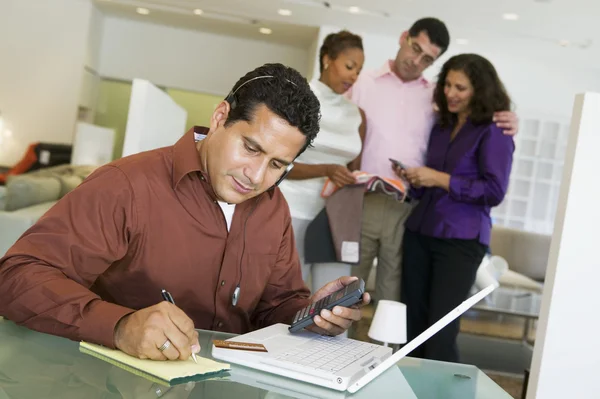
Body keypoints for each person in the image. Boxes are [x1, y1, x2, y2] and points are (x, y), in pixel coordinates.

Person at [0, 63, 370, 362]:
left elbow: (276, 305)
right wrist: (119, 326)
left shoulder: (273, 209)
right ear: (221, 116)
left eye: (278, 165)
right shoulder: (126, 185)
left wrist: (313, 315)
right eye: (251, 148)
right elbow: (17, 278)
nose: (256, 176)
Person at [347, 17, 519, 303]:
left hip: (407, 208)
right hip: (361, 200)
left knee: (394, 299)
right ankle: (336, 349)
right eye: (415, 49)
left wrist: (511, 119)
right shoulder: (363, 84)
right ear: (404, 37)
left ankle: (385, 350)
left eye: (427, 59)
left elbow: (476, 121)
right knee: (349, 287)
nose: (416, 61)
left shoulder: (436, 99)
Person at [400, 53, 515, 362]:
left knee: (440, 333)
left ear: (479, 90)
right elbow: (430, 182)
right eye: (448, 84)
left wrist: (439, 178)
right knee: (410, 330)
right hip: (419, 231)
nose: (451, 93)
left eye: (460, 88)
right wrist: (416, 179)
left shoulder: (495, 130)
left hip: (460, 240)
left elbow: (494, 190)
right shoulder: (441, 125)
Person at [278, 30, 365, 292]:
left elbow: (353, 170)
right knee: (283, 293)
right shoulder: (297, 99)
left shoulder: (358, 115)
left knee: (335, 297)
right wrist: (326, 170)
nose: (354, 75)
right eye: (350, 66)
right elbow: (277, 162)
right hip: (291, 210)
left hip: (334, 220)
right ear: (327, 59)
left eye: (359, 70)